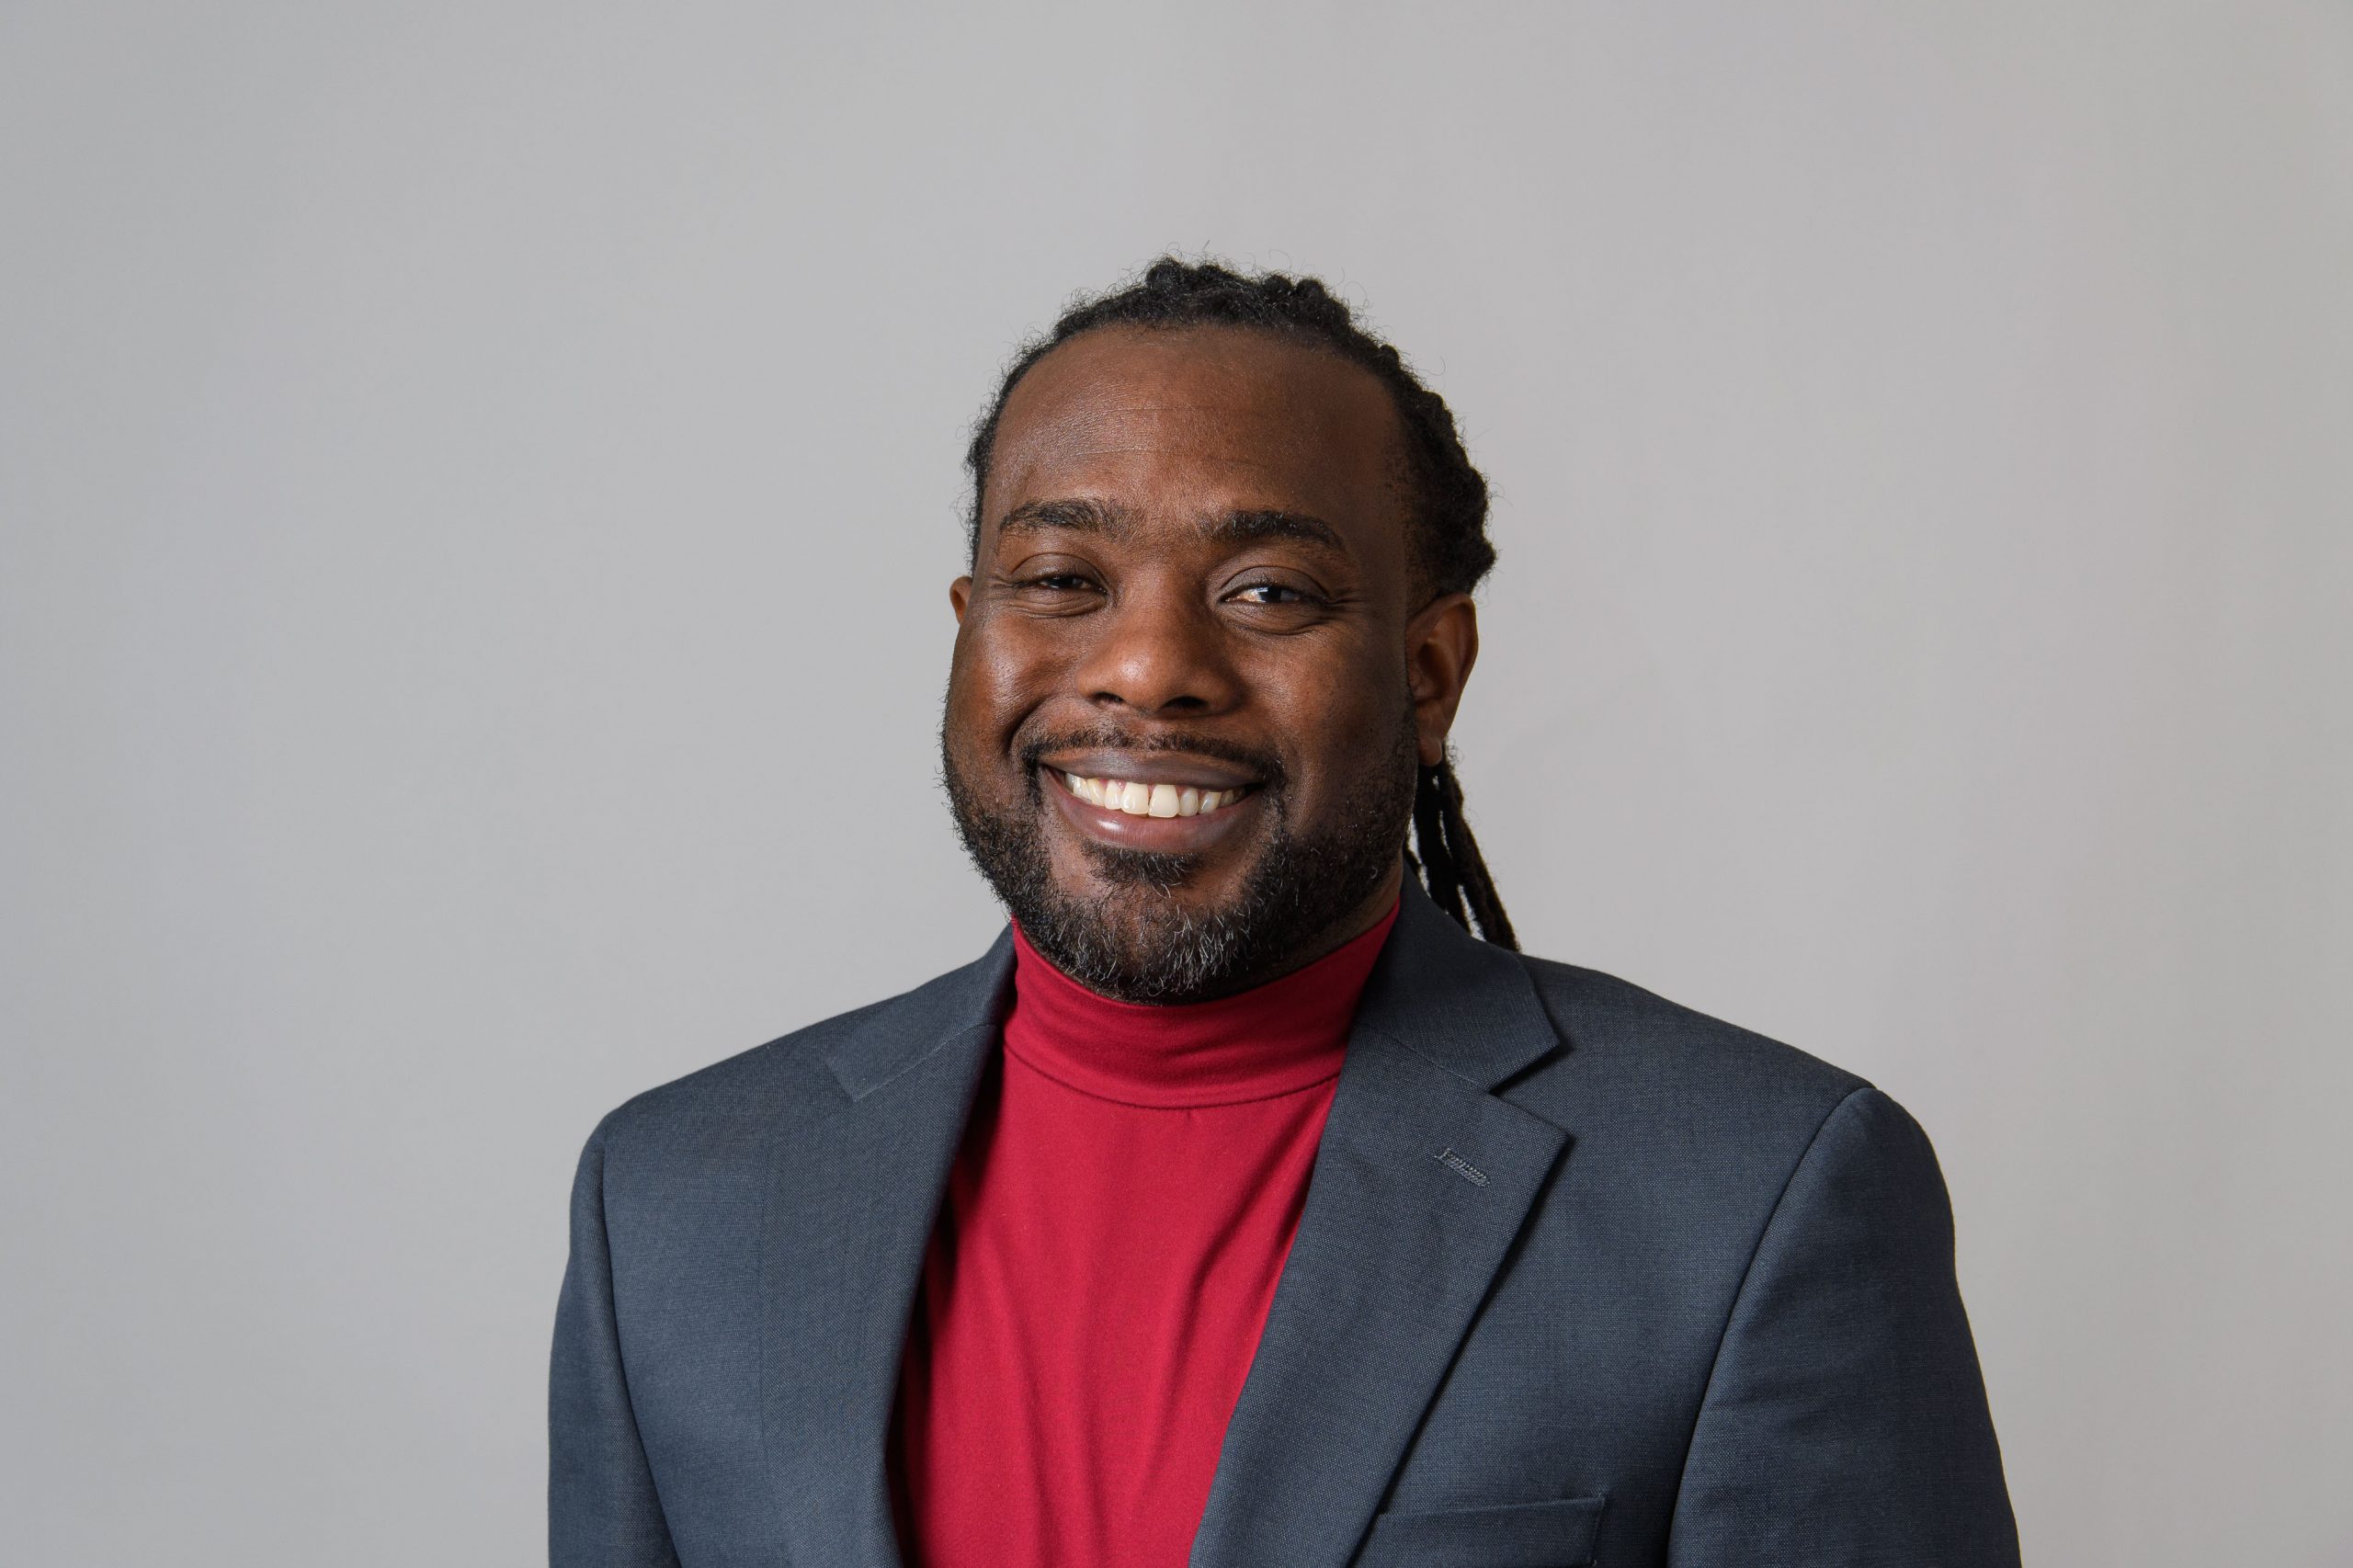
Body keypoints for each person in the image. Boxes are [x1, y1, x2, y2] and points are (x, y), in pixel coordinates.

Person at [549, 258, 2020, 1567]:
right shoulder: (674, 1206)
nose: (1145, 667)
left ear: (1429, 671)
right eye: (1061, 577)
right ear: (971, 629)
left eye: (1265, 592)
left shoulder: (1755, 1196)